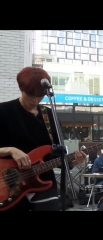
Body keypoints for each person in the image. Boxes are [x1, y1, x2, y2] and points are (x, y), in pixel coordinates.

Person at [0, 67, 87, 211]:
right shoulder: (3, 112)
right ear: (21, 88)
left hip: (45, 185)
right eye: (30, 95)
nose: (35, 100)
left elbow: (55, 156)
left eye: (40, 96)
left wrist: (71, 162)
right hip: (8, 185)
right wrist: (10, 150)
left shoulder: (49, 115)